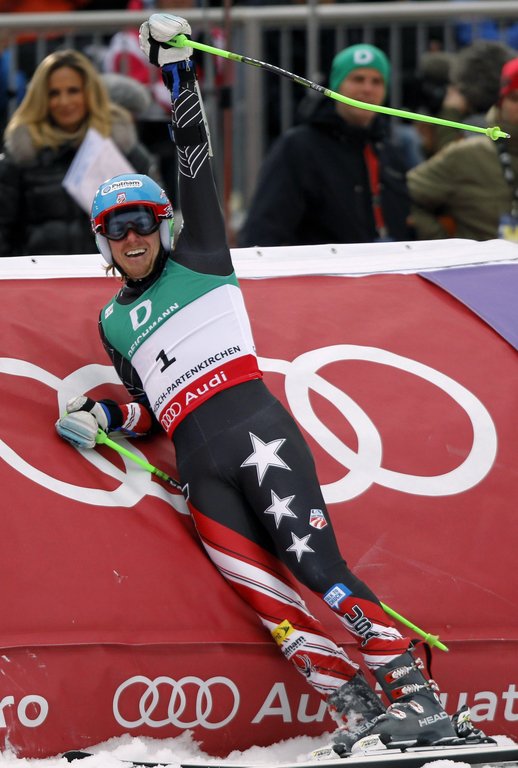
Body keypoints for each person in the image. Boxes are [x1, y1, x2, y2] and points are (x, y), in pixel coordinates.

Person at [55, 13, 477, 755]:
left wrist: (177, 69)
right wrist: (106, 417)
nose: (133, 237)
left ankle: (418, 699)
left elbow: (194, 157)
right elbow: (153, 409)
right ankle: (355, 709)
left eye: (143, 222)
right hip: (200, 468)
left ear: (164, 225)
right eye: (117, 229)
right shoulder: (111, 323)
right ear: (102, 244)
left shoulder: (201, 258)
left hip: (257, 434)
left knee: (316, 568)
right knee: (268, 602)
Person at [238, 43, 415, 248]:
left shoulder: (389, 150)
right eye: (357, 79)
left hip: (389, 266)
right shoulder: (300, 147)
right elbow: (264, 228)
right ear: (336, 85)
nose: (367, 89)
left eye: (376, 81)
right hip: (321, 266)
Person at [0, 49, 160, 257]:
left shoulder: (125, 149)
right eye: (54, 93)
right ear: (41, 99)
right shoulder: (19, 159)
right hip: (38, 274)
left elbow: (157, 216)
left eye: (73, 91)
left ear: (90, 93)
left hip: (109, 272)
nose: (64, 101)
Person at [407, 57, 518, 242]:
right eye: (515, 98)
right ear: (500, 102)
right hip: (482, 260)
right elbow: (405, 195)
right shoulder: (469, 154)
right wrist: (447, 246)